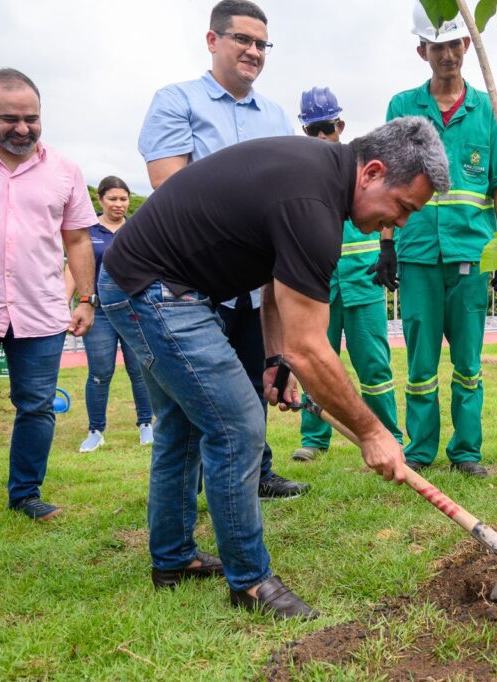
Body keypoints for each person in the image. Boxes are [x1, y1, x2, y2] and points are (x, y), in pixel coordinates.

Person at [99, 117, 449, 618]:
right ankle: (250, 582)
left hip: (156, 283)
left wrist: (273, 360)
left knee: (182, 427)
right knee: (238, 426)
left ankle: (173, 560)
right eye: (403, 208)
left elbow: (273, 288)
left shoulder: (318, 179)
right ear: (372, 172)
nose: (400, 224)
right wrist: (372, 432)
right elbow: (313, 349)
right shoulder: (313, 206)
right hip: (155, 291)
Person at [137, 0, 304, 499]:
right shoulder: (177, 101)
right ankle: (191, 499)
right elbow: (172, 189)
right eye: (242, 40)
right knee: (190, 407)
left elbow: (287, 199)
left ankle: (255, 474)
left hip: (251, 285)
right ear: (213, 41)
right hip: (191, 284)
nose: (253, 51)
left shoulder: (276, 117)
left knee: (253, 387)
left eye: (261, 44)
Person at [375, 5, 497, 477]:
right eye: (437, 47)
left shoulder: (488, 112)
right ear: (423, 51)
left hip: (471, 255)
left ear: (466, 47)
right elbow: (387, 179)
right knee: (419, 361)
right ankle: (419, 450)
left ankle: (467, 451)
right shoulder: (402, 107)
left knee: (469, 362)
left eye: (454, 45)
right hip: (416, 254)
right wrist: (387, 243)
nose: (447, 55)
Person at [0, 68, 99, 525]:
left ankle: (25, 494)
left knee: (37, 406)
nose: (22, 128)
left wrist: (85, 299)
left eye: (32, 118)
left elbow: (77, 240)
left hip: (40, 312)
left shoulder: (64, 169)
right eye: (10, 118)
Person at [291, 87, 404, 461]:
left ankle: (388, 435)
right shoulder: (303, 171)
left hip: (363, 281)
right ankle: (314, 439)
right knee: (315, 362)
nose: (322, 137)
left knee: (374, 365)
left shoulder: (363, 168)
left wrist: (388, 248)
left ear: (341, 124)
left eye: (328, 128)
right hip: (321, 287)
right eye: (314, 131)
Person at [64, 176, 154, 453]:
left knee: (140, 371)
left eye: (124, 198)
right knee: (100, 373)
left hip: (134, 311)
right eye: (113, 198)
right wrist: (63, 305)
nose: (119, 204)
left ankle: (146, 426)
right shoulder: (88, 231)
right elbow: (73, 269)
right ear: (100, 200)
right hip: (99, 312)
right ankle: (95, 431)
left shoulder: (139, 228)